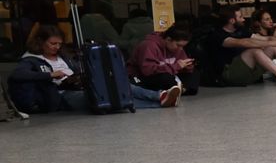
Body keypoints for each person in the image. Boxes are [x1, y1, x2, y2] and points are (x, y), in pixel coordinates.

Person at [11, 25, 180, 111]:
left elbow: (78, 69)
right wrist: (50, 75)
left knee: (116, 87)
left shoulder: (64, 56)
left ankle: (159, 96)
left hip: (77, 85)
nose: (56, 47)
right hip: (61, 94)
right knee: (104, 98)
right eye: (52, 44)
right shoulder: (31, 59)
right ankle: (159, 101)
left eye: (59, 44)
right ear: (41, 42)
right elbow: (19, 75)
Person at [201, 6, 276, 86]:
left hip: (247, 70)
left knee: (274, 47)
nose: (243, 19)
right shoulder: (217, 35)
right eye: (240, 17)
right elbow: (244, 42)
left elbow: (264, 39)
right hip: (229, 73)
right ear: (232, 20)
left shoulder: (240, 29)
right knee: (254, 50)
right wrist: (271, 42)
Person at [131, 25, 199, 96]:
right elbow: (148, 71)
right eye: (178, 45)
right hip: (143, 77)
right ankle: (178, 90)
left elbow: (178, 67)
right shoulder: (149, 45)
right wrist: (176, 66)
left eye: (183, 46)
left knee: (195, 73)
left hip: (169, 74)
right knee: (166, 78)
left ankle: (178, 90)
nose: (181, 49)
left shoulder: (178, 49)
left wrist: (187, 67)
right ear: (168, 39)